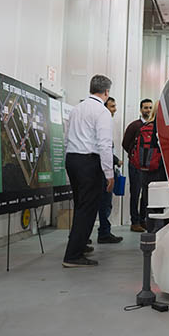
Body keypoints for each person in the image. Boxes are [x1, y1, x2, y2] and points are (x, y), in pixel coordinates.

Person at [62, 75, 114, 267]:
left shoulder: (77, 108)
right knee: (88, 208)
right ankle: (73, 256)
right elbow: (104, 144)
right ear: (107, 92)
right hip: (88, 161)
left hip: (73, 159)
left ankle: (80, 244)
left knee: (80, 205)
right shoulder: (102, 112)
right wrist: (109, 173)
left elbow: (67, 137)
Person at [136, 101, 169, 233]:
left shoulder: (145, 127)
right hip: (161, 170)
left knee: (150, 203)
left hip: (146, 169)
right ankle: (161, 235)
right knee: (163, 204)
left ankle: (151, 233)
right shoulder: (164, 126)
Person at [95, 97, 124, 244]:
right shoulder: (102, 123)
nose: (115, 109)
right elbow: (103, 149)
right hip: (102, 172)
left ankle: (102, 232)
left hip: (102, 170)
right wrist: (113, 163)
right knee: (104, 204)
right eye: (112, 106)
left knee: (103, 204)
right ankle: (104, 233)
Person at [122, 98, 152, 232]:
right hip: (135, 165)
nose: (148, 110)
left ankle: (142, 219)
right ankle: (134, 222)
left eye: (150, 108)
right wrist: (134, 156)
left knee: (146, 194)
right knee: (135, 193)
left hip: (148, 165)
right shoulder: (134, 125)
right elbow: (125, 143)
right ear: (141, 109)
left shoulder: (153, 124)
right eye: (146, 108)